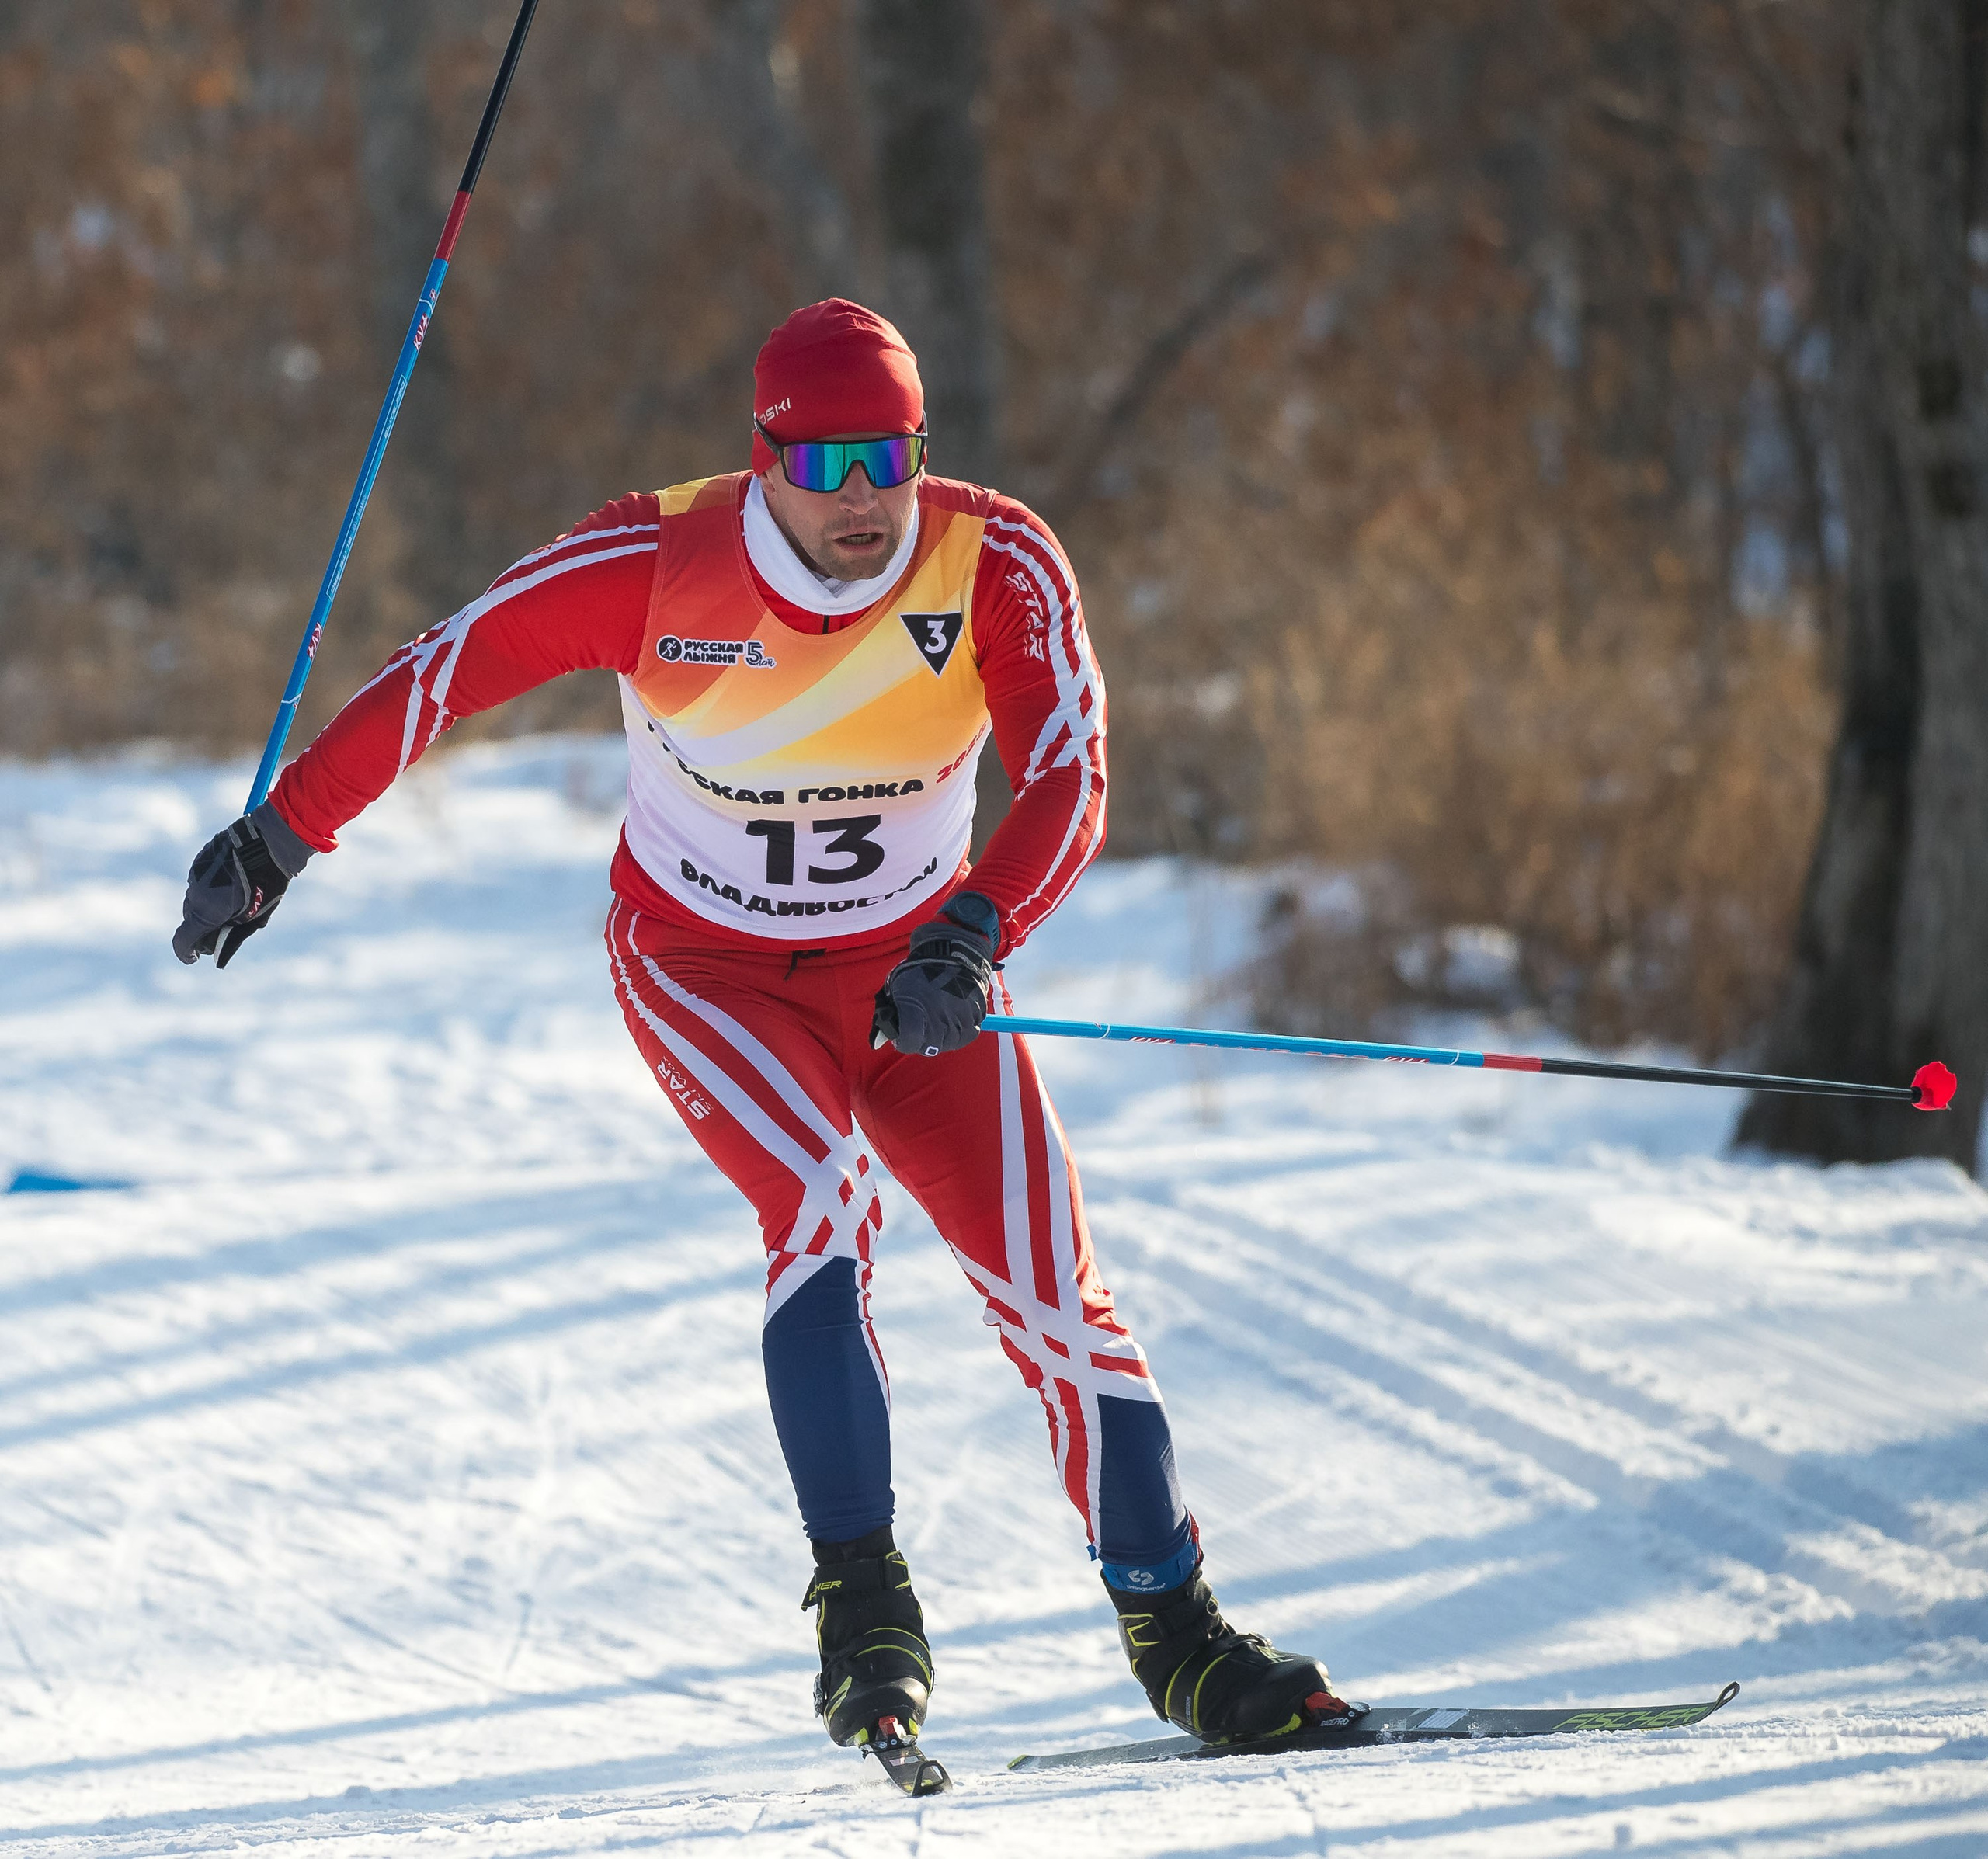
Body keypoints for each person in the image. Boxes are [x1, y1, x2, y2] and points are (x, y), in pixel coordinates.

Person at [174, 299, 1347, 1756]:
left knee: (1055, 1284)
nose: (864, 499)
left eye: (892, 458)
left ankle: (1178, 1630)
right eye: (828, 462)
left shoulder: (995, 561)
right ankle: (864, 1599)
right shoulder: (657, 560)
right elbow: (445, 670)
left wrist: (978, 930)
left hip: (911, 973)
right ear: (767, 456)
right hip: (705, 967)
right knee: (823, 1202)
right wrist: (278, 839)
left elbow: (1070, 773)